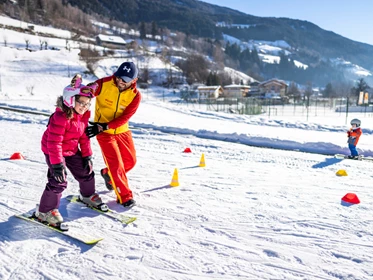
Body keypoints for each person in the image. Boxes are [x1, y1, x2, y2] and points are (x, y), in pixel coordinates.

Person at [36, 75, 108, 228]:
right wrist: (56, 165)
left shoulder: (84, 115)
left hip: (71, 149)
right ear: (70, 99)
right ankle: (45, 212)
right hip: (53, 150)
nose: (84, 106)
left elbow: (83, 137)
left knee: (86, 170)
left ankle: (87, 195)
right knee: (59, 180)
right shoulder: (60, 117)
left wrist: (87, 155)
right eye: (81, 102)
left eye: (87, 104)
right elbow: (54, 142)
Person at [85, 62, 141, 208]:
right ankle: (124, 196)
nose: (120, 82)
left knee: (130, 162)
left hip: (122, 130)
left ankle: (107, 173)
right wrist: (86, 90)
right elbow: (90, 90)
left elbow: (125, 117)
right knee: (116, 164)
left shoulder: (135, 96)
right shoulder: (104, 83)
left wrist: (107, 125)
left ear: (134, 81)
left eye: (125, 80)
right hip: (103, 132)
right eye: (119, 78)